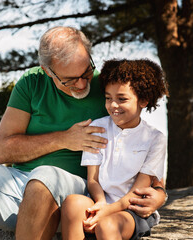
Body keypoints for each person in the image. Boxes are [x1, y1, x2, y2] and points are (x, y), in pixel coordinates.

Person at [0, 26, 167, 240]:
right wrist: (64, 139)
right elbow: (2, 151)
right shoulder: (31, 83)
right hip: (20, 183)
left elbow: (140, 144)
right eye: (70, 80)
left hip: (77, 193)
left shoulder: (108, 87)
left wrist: (159, 193)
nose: (83, 85)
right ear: (48, 71)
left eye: (86, 72)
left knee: (44, 178)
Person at [61, 59, 169, 240]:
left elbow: (138, 192)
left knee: (107, 225)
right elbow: (93, 179)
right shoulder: (97, 128)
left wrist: (107, 211)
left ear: (143, 100)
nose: (113, 105)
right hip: (100, 201)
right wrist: (101, 203)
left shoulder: (155, 139)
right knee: (72, 203)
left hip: (132, 210)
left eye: (122, 99)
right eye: (108, 98)